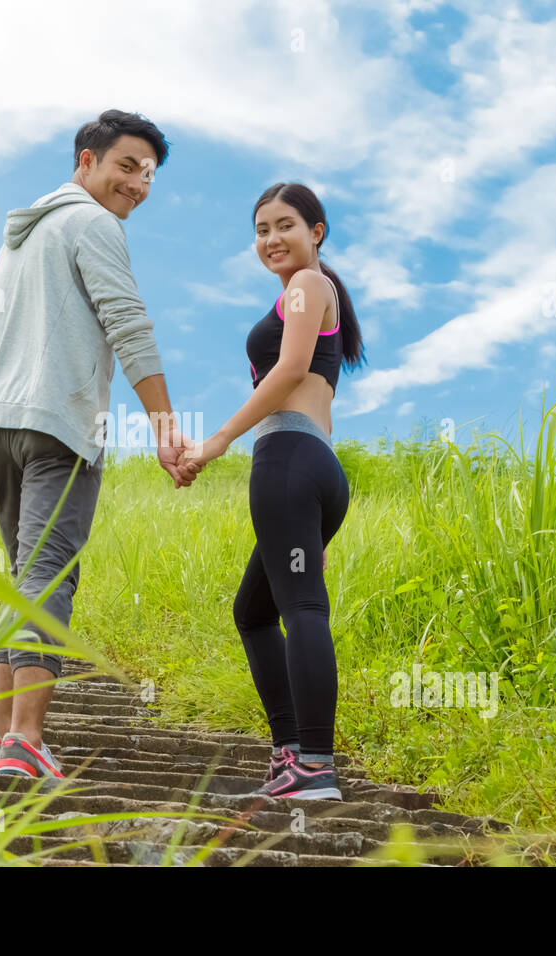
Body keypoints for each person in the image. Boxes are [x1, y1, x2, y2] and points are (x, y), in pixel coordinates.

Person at [0, 109, 199, 779]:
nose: (138, 185)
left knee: (21, 577)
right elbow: (127, 320)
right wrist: (165, 426)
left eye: (148, 175)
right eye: (127, 166)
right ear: (84, 161)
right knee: (50, 573)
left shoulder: (16, 239)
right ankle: (27, 740)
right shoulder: (95, 225)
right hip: (55, 423)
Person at [184, 183, 364, 800]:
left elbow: (290, 371)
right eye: (261, 230)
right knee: (255, 612)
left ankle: (314, 765)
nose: (271, 239)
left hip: (288, 460)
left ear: (317, 231)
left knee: (301, 608)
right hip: (310, 462)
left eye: (285, 225)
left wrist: (216, 442)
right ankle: (292, 755)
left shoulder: (309, 286)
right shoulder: (309, 295)